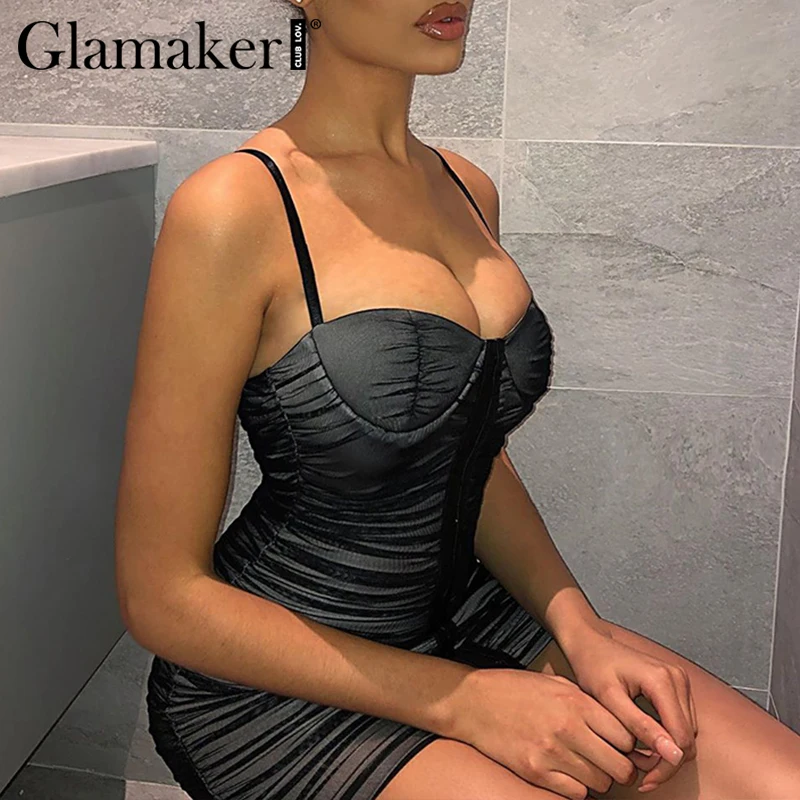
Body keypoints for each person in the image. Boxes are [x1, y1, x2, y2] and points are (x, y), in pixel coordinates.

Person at [114, 1, 800, 798]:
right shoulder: (234, 206)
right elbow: (160, 597)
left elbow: (466, 457)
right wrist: (466, 702)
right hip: (278, 680)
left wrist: (580, 627)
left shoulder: (467, 188)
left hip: (472, 615)